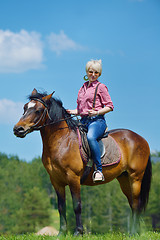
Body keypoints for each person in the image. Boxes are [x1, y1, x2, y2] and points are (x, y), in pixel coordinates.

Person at [67, 59, 114, 182]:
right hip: (83, 121)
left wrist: (97, 112)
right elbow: (80, 109)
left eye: (96, 73)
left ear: (99, 74)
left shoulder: (101, 87)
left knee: (90, 137)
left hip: (97, 121)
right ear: (86, 72)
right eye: (91, 72)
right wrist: (70, 112)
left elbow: (110, 106)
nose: (93, 75)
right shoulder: (82, 88)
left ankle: (99, 170)